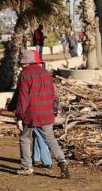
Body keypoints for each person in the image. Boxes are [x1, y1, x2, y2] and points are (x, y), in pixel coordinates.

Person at [7, 49, 70, 178]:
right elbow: (54, 94)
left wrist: (19, 116)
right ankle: (62, 160)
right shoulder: (46, 73)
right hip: (46, 113)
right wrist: (55, 108)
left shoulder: (25, 74)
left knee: (25, 138)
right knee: (50, 138)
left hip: (30, 113)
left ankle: (27, 167)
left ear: (25, 62)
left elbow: (22, 97)